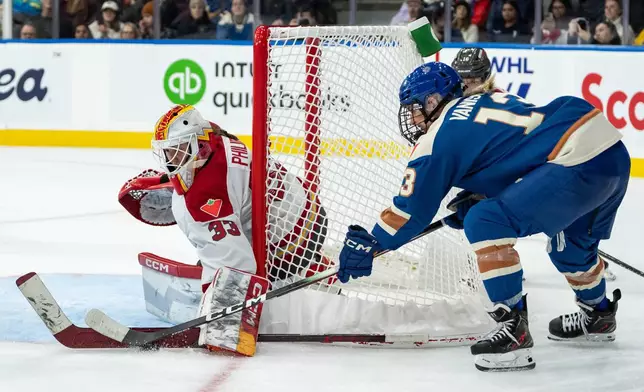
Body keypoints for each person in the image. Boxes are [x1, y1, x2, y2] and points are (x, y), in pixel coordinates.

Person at [336, 62, 628, 371]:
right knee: (571, 250)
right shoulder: (484, 97)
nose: (413, 117)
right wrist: (485, 193)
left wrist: (372, 243)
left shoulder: (437, 137)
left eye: (415, 108)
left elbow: (411, 212)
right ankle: (598, 314)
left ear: (433, 101)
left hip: (575, 162)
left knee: (485, 221)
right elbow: (518, 151)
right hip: (609, 152)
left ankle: (513, 331)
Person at [118, 104, 330, 356]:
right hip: (308, 211)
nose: (171, 161)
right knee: (215, 248)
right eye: (167, 154)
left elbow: (237, 265)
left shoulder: (202, 198)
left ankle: (305, 277)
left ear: (198, 143)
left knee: (224, 268)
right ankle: (314, 267)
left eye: (177, 151)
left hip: (289, 246)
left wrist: (218, 319)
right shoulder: (215, 136)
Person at [451, 47, 617, 282]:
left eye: (473, 79)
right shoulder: (477, 103)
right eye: (462, 79)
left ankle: (585, 258)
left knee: (510, 216)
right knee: (490, 216)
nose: (467, 85)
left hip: (541, 168)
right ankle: (496, 262)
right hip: (520, 169)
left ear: (485, 77)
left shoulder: (492, 103)